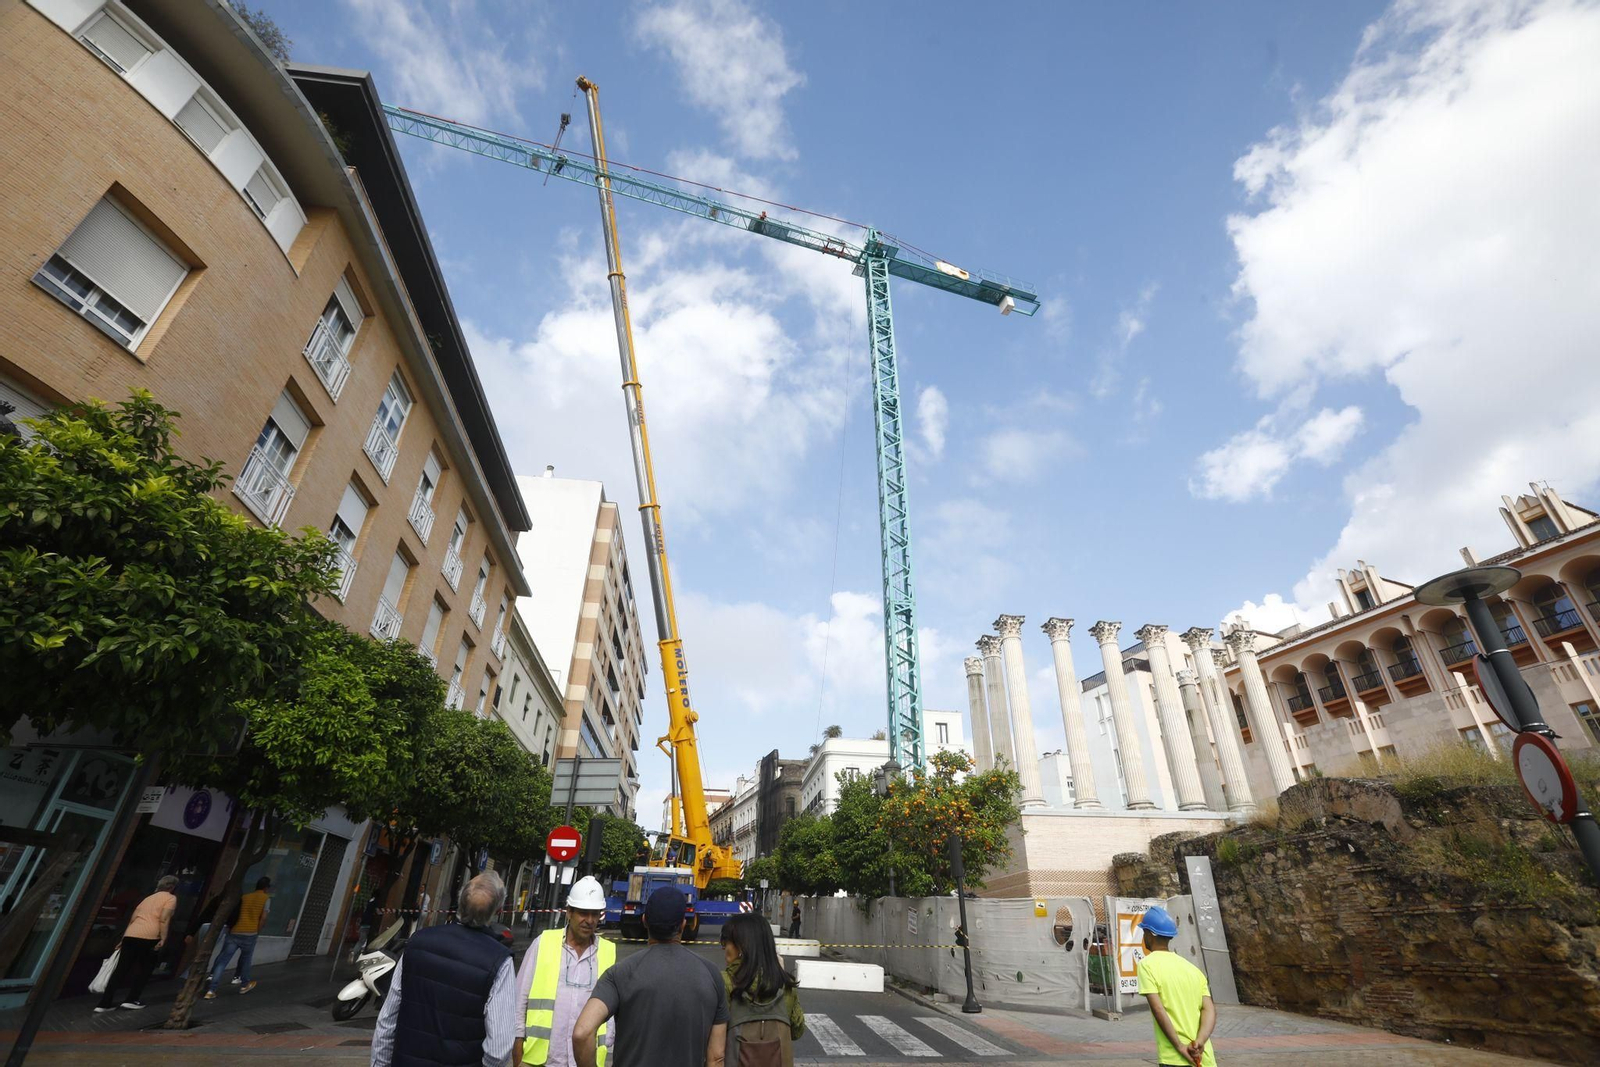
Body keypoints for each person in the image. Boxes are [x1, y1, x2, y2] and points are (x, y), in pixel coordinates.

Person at [371, 870, 517, 1067]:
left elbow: (387, 1021)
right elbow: (498, 1050)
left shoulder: (417, 943)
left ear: (460, 902)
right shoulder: (500, 962)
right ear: (498, 911)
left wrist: (380, 1064)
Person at [571, 886, 726, 1067]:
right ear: (683, 924)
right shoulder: (712, 975)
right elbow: (716, 1058)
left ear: (644, 921)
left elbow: (582, 1033)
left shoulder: (620, 973)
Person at [512, 876, 615, 1065]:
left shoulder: (608, 953)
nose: (589, 920)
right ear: (569, 912)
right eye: (583, 913)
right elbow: (520, 1001)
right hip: (542, 1061)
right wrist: (517, 1051)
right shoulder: (543, 943)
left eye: (595, 914)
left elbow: (612, 1015)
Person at [1134, 906, 1216, 1067]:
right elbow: (1209, 1009)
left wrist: (1180, 1047)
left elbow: (1158, 1010)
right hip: (1203, 1057)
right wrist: (1200, 1041)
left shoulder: (1147, 965)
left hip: (1175, 1057)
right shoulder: (1193, 970)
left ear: (1148, 934)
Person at [719, 913, 805, 1066]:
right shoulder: (784, 983)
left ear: (741, 946)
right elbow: (797, 1031)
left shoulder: (723, 982)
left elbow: (712, 1040)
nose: (723, 948)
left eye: (725, 941)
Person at [94, 874, 178, 1012]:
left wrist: (123, 939)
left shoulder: (147, 899)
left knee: (121, 969)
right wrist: (163, 937)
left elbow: (133, 918)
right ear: (172, 887)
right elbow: (164, 919)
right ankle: (131, 999)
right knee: (145, 969)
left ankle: (104, 1002)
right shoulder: (170, 898)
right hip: (150, 936)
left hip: (131, 935)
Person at [206, 875, 271, 999]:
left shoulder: (245, 897)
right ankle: (244, 984)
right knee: (246, 959)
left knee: (223, 960)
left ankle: (211, 990)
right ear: (266, 888)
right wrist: (257, 930)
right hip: (250, 933)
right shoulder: (265, 898)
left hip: (235, 931)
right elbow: (263, 918)